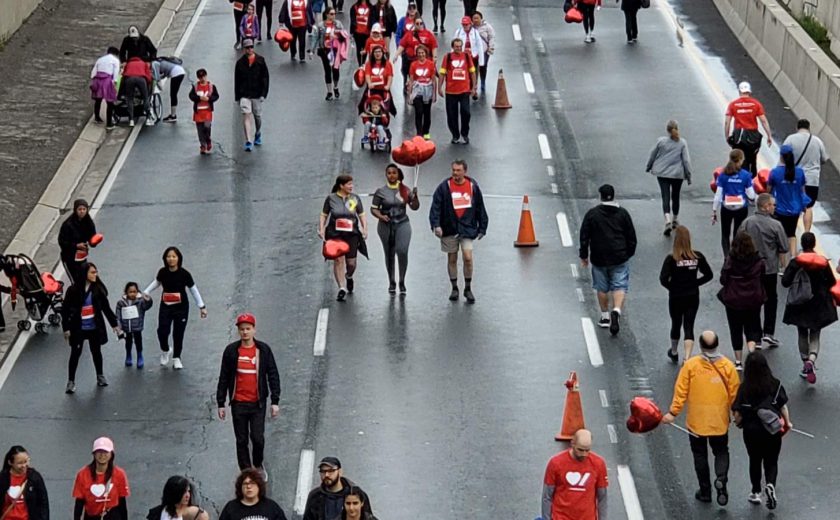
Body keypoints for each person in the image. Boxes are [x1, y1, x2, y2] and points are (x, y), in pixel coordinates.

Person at [662, 331, 740, 506]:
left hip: (696, 422)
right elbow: (735, 394)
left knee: (700, 455)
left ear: (701, 345)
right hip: (719, 422)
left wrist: (673, 413)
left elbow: (680, 391)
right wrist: (737, 414)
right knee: (721, 451)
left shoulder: (690, 366)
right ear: (717, 344)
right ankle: (721, 478)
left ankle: (705, 491)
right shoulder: (728, 367)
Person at [217, 313, 282, 473]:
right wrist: (221, 403)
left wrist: (275, 401)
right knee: (241, 440)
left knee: (258, 438)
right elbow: (224, 377)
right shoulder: (231, 351)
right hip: (238, 403)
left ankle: (258, 464)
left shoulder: (263, 350)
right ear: (238, 331)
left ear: (254, 330)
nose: (245, 332)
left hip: (257, 403)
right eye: (242, 329)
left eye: (248, 329)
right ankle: (246, 471)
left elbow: (272, 374)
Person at [732, 351, 790, 510]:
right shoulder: (775, 385)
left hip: (751, 430)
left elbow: (737, 412)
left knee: (754, 459)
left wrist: (738, 422)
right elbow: (783, 406)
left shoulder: (744, 388)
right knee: (771, 461)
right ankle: (770, 484)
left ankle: (755, 492)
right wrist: (788, 423)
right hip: (772, 428)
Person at [578, 184, 637, 335]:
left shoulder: (593, 214)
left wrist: (584, 255)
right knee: (619, 286)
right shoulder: (623, 214)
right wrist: (628, 253)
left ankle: (605, 316)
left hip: (599, 257)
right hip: (619, 256)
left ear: (601, 196)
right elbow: (631, 236)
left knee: (601, 287)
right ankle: (616, 310)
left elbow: (584, 236)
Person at [429, 160, 488, 303]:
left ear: (464, 171)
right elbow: (436, 206)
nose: (455, 173)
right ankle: (454, 288)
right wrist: (436, 225)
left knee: (468, 257)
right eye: (453, 170)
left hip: (467, 228)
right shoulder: (444, 187)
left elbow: (480, 206)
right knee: (452, 258)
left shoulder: (473, 187)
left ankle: (467, 288)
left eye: (458, 170)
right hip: (450, 229)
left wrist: (482, 227)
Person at [781, 232, 837, 384]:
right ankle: (811, 360)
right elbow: (832, 281)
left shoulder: (796, 262)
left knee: (801, 332)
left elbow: (785, 282)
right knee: (815, 334)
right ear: (813, 244)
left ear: (802, 244)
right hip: (818, 303)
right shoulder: (822, 262)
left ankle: (804, 361)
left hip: (800, 304)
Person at [143, 246, 208, 370]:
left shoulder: (185, 274)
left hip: (181, 308)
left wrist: (202, 306)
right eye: (168, 256)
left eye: (174, 256)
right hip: (166, 306)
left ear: (178, 258)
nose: (171, 259)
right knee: (162, 331)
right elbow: (157, 282)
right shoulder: (163, 272)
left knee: (178, 333)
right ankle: (166, 349)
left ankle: (177, 357)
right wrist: (146, 291)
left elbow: (193, 290)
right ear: (165, 259)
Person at [62, 262, 121, 394]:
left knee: (96, 352)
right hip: (78, 328)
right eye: (92, 272)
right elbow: (65, 310)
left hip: (94, 327)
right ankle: (71, 381)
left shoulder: (98, 290)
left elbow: (106, 308)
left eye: (96, 272)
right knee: (75, 354)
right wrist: (66, 328)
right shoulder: (73, 291)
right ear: (85, 274)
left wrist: (115, 325)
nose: (95, 275)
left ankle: (100, 375)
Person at [739, 193, 788, 348]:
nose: (774, 207)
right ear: (766, 207)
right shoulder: (776, 225)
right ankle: (769, 332)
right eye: (773, 205)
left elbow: (737, 242)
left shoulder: (747, 223)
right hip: (769, 269)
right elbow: (784, 247)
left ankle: (756, 336)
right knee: (771, 300)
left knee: (753, 302)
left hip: (750, 269)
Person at [659, 226, 713, 363]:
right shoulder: (697, 256)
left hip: (676, 296)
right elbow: (709, 275)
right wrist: (695, 283)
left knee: (676, 323)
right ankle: (687, 356)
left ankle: (674, 351)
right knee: (689, 325)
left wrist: (673, 287)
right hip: (692, 295)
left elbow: (663, 279)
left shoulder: (671, 258)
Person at [718, 231, 765, 368]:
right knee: (751, 327)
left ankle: (738, 361)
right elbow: (763, 277)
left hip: (734, 300)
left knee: (735, 329)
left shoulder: (730, 260)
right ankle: (751, 353)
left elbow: (723, 279)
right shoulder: (758, 261)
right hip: (753, 299)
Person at [319, 175, 369, 301]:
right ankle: (341, 287)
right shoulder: (331, 199)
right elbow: (324, 215)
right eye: (348, 184)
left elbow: (361, 215)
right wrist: (322, 228)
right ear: (341, 186)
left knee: (351, 263)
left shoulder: (355, 199)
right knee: (338, 260)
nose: (351, 186)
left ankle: (349, 276)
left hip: (351, 234)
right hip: (335, 234)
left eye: (352, 184)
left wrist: (364, 228)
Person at [371, 164, 420, 294]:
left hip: (402, 223)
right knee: (389, 253)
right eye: (389, 173)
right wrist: (381, 216)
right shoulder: (380, 191)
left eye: (394, 173)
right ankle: (391, 281)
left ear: (398, 175)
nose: (392, 175)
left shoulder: (405, 190)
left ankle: (402, 280)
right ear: (386, 175)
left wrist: (415, 197)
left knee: (402, 251)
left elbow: (415, 207)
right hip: (385, 226)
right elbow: (373, 208)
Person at [541, 429, 608, 520]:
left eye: (587, 450)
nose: (584, 454)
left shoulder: (599, 464)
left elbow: (602, 498)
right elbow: (547, 496)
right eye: (580, 450)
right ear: (572, 443)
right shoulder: (555, 463)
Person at [646, 119, 692, 236]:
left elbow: (652, 155)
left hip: (662, 173)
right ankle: (675, 219)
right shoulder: (682, 143)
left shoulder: (661, 141)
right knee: (675, 196)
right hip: (677, 174)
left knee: (665, 196)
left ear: (667, 130)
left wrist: (649, 166)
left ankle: (667, 220)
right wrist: (689, 175)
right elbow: (686, 161)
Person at [783, 119, 828, 232]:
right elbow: (824, 159)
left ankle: (791, 231)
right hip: (812, 180)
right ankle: (806, 233)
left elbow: (783, 157)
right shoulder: (817, 141)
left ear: (797, 127)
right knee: (808, 206)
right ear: (809, 128)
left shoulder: (790, 139)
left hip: (795, 178)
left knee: (793, 204)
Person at [767, 143, 810, 259]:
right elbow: (802, 191)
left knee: (780, 236)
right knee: (792, 234)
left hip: (780, 209)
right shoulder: (800, 172)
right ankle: (793, 257)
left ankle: (783, 265)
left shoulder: (775, 172)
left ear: (781, 156)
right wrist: (803, 206)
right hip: (795, 210)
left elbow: (768, 191)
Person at [72, 437, 130, 520]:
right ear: (94, 454)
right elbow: (79, 502)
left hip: (113, 516)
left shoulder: (119, 474)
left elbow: (122, 502)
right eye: (99, 451)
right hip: (91, 517)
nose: (102, 455)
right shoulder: (83, 474)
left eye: (105, 452)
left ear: (111, 454)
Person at [713, 148, 755, 256]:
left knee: (725, 234)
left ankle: (726, 257)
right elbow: (751, 195)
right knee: (738, 233)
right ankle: (735, 256)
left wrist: (714, 210)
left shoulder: (723, 174)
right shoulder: (746, 175)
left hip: (726, 208)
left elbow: (718, 194)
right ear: (740, 160)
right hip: (741, 208)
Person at [725, 81, 773, 177]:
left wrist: (727, 136)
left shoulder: (733, 105)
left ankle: (737, 179)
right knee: (752, 159)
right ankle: (751, 181)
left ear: (739, 91)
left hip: (738, 136)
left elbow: (727, 122)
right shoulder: (756, 104)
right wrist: (769, 135)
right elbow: (763, 121)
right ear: (749, 92)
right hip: (752, 136)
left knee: (738, 159)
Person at [302, 457, 372, 520]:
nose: (326, 475)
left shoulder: (355, 494)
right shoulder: (315, 496)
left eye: (331, 471)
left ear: (340, 472)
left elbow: (367, 517)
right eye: (323, 471)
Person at [234, 39, 270, 151]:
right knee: (246, 114)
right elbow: (237, 80)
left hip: (257, 93)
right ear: (244, 49)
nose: (249, 49)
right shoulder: (240, 63)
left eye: (251, 47)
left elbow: (265, 78)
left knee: (257, 116)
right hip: (244, 93)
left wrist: (264, 93)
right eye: (247, 47)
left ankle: (258, 132)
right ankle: (248, 140)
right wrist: (238, 97)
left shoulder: (260, 60)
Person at [438, 38, 476, 145]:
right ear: (453, 47)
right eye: (456, 46)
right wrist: (439, 87)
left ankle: (465, 134)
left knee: (466, 113)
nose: (458, 48)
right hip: (451, 92)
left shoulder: (467, 56)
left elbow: (472, 72)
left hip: (464, 91)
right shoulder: (448, 57)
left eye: (460, 46)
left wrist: (474, 87)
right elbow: (442, 73)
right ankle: (455, 135)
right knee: (451, 115)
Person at [0, 446, 49, 520]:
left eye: (26, 461)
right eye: (20, 463)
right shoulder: (2, 478)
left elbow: (43, 503)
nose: (24, 466)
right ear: (10, 462)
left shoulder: (35, 477)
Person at [57, 198, 97, 287]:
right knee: (75, 283)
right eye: (79, 209)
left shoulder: (88, 222)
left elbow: (92, 238)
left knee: (84, 280)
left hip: (82, 257)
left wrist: (94, 242)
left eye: (84, 209)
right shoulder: (68, 224)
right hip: (69, 258)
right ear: (75, 210)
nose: (82, 212)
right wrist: (76, 246)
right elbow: (62, 242)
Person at [219, 469, 287, 520]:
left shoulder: (271, 507)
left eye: (252, 483)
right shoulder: (231, 508)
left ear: (259, 486)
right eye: (245, 484)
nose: (249, 487)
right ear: (240, 488)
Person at [393, 17, 437, 94]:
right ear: (414, 24)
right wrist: (396, 55)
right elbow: (402, 45)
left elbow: (434, 46)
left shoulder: (428, 34)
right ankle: (409, 88)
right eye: (417, 23)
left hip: (424, 60)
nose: (419, 25)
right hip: (411, 60)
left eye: (421, 23)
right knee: (409, 74)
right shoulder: (409, 34)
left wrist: (434, 57)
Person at [115, 281, 153, 369]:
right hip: (126, 327)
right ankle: (128, 355)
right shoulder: (121, 303)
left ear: (137, 292)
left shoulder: (140, 302)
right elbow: (118, 315)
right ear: (126, 292)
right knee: (128, 342)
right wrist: (119, 326)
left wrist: (148, 300)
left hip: (137, 327)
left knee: (138, 342)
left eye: (134, 292)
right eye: (130, 292)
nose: (132, 294)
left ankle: (140, 356)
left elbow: (147, 306)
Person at [311, 8, 347, 101]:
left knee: (335, 70)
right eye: (331, 14)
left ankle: (336, 86)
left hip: (335, 51)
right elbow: (316, 37)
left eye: (334, 14)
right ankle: (329, 92)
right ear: (326, 14)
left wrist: (338, 36)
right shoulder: (320, 25)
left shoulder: (338, 24)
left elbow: (344, 35)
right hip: (325, 50)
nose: (333, 16)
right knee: (327, 70)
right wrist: (312, 50)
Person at [188, 68, 220, 155]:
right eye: (200, 77)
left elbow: (216, 96)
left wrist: (209, 99)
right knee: (200, 130)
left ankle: (208, 139)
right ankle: (203, 145)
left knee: (207, 127)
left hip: (207, 112)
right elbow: (191, 96)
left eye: (204, 77)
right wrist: (199, 98)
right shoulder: (195, 87)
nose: (202, 79)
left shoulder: (211, 86)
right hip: (198, 112)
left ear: (206, 76)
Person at [407, 45, 437, 138]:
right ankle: (419, 133)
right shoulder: (413, 64)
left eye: (422, 53)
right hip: (417, 89)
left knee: (427, 113)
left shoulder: (431, 64)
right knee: (419, 112)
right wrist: (409, 94)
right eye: (419, 53)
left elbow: (433, 80)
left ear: (426, 54)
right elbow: (411, 79)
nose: (421, 55)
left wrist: (434, 94)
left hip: (428, 89)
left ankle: (426, 132)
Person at [452, 15, 484, 98]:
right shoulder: (458, 32)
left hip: (473, 57)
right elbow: (453, 45)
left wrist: (481, 61)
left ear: (470, 24)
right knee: (464, 73)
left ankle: (474, 89)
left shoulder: (475, 33)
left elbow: (479, 46)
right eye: (463, 24)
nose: (465, 26)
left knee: (474, 73)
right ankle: (465, 89)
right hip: (462, 57)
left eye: (466, 24)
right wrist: (452, 58)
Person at [90, 47, 120, 129]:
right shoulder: (115, 60)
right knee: (110, 102)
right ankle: (109, 123)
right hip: (107, 80)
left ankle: (97, 117)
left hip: (98, 79)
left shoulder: (100, 59)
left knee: (98, 100)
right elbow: (116, 74)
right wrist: (115, 83)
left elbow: (93, 72)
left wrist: (93, 80)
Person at [152, 57, 187, 123]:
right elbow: (165, 73)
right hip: (180, 71)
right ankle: (173, 115)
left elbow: (157, 78)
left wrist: (160, 88)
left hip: (176, 73)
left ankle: (173, 116)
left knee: (173, 95)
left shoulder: (154, 64)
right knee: (174, 94)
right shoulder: (161, 61)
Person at [122, 56, 154, 127]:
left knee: (129, 98)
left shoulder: (128, 64)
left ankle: (131, 120)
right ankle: (148, 118)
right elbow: (148, 76)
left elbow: (124, 74)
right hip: (141, 79)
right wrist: (148, 85)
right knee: (146, 97)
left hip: (129, 79)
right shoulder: (143, 63)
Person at [471, 12, 494, 93]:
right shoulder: (470, 28)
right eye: (474, 18)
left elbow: (491, 37)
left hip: (484, 51)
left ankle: (483, 82)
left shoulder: (487, 26)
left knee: (483, 67)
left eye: (477, 18)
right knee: (473, 68)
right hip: (474, 52)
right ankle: (475, 84)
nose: (476, 20)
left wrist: (490, 47)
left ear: (481, 18)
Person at [350, 0, 373, 65]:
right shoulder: (354, 7)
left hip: (367, 32)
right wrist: (352, 31)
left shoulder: (371, 7)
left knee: (365, 48)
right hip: (357, 32)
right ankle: (360, 64)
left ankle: (363, 63)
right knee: (359, 48)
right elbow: (352, 19)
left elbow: (372, 18)